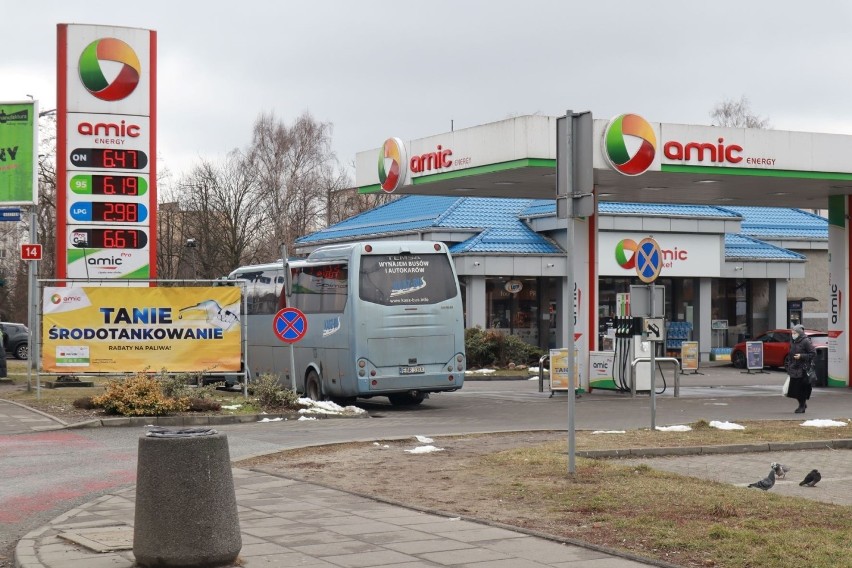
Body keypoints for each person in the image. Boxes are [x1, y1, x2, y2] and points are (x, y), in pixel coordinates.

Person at [785, 324, 815, 413]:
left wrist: (801, 356)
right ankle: (802, 404)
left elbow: (813, 353)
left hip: (803, 369)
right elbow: (790, 354)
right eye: (792, 333)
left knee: (801, 389)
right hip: (794, 368)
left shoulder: (806, 341)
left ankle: (802, 406)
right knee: (793, 390)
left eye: (794, 333)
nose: (793, 334)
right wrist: (789, 365)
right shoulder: (793, 341)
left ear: (799, 333)